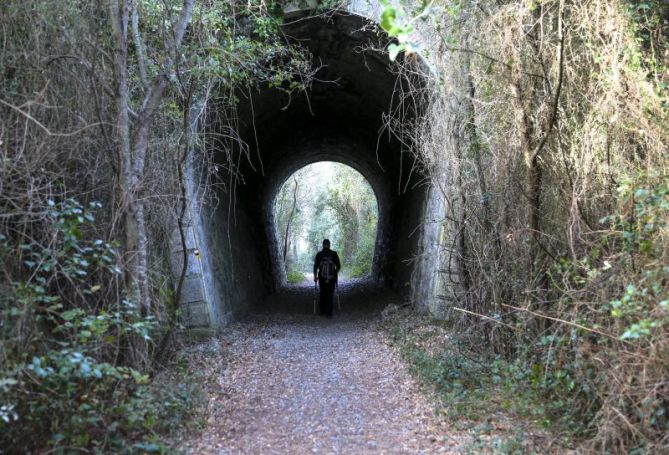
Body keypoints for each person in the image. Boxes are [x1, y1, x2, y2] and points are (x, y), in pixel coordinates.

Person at [313, 239, 341, 317]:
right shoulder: (334, 254)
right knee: (330, 295)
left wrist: (315, 276)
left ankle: (322, 311)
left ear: (323, 245)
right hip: (331, 278)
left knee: (322, 293)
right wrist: (335, 273)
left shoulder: (319, 254)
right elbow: (338, 266)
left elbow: (315, 266)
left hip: (322, 278)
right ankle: (329, 313)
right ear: (329, 245)